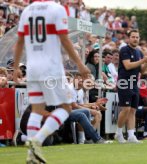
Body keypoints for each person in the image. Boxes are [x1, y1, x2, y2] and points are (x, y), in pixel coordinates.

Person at [13, 0, 90, 163]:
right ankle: (37, 139)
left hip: (32, 67)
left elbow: (19, 41)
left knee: (36, 110)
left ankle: (32, 155)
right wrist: (80, 64)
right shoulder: (57, 9)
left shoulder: (27, 10)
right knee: (66, 108)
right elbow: (64, 39)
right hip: (51, 68)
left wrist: (15, 67)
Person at [115, 29, 147, 143]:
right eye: (133, 37)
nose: (135, 39)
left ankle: (131, 136)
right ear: (128, 38)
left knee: (132, 110)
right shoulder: (124, 50)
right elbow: (127, 66)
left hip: (134, 83)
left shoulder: (139, 52)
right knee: (125, 109)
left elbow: (141, 70)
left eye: (137, 37)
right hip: (124, 82)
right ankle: (119, 132)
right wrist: (143, 60)